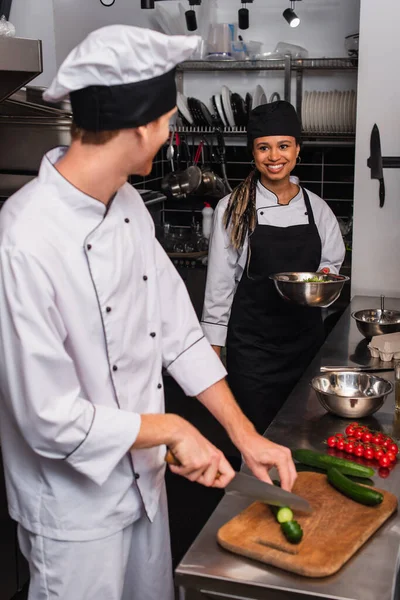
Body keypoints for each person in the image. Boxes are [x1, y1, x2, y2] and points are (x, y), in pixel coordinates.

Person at [0, 27, 297, 600]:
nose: (169, 135)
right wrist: (172, 428)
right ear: (139, 125)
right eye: (166, 121)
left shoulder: (129, 204)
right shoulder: (23, 237)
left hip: (146, 482)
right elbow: (47, 416)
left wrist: (244, 436)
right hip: (75, 516)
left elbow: (181, 337)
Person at [202, 101, 345, 435]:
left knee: (303, 434)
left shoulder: (317, 208)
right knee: (254, 435)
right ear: (253, 153)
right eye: (263, 147)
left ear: (297, 149)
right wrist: (213, 352)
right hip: (252, 351)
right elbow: (220, 286)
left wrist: (323, 277)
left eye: (283, 146)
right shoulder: (232, 208)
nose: (274, 156)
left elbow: (331, 261)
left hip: (304, 344)